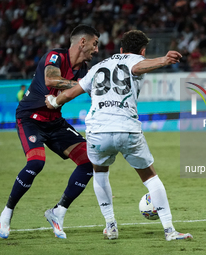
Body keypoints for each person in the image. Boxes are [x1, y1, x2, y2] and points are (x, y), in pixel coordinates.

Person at [45, 30, 193, 241]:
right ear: (142, 51)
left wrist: (54, 102)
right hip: (127, 128)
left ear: (121, 48)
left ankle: (111, 226)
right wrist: (164, 60)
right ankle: (169, 230)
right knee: (150, 177)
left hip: (98, 130)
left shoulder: (97, 67)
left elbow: (73, 91)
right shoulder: (137, 60)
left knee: (100, 173)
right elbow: (138, 66)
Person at [0, 24, 100, 239]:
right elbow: (51, 80)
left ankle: (58, 212)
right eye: (95, 44)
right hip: (30, 118)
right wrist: (84, 85)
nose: (96, 49)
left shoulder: (83, 71)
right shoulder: (55, 57)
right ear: (82, 42)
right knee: (36, 162)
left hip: (55, 122)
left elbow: (86, 92)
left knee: (89, 161)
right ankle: (6, 213)